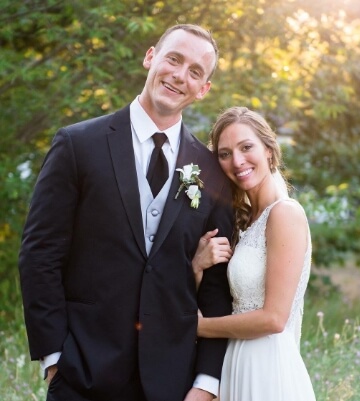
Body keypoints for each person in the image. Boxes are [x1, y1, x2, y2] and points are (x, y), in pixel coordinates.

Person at [18, 24, 234, 401]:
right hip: (81, 374)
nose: (180, 75)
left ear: (204, 89)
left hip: (174, 380)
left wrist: (206, 382)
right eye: (174, 59)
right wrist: (55, 358)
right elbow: (40, 254)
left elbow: (217, 287)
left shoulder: (211, 169)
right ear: (151, 57)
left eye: (195, 72)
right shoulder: (77, 145)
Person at [192, 107, 316, 400]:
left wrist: (199, 327)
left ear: (269, 151)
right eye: (224, 154)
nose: (237, 161)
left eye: (246, 147)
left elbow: (274, 318)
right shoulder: (246, 220)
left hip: (268, 370)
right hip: (237, 364)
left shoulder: (285, 214)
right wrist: (197, 265)